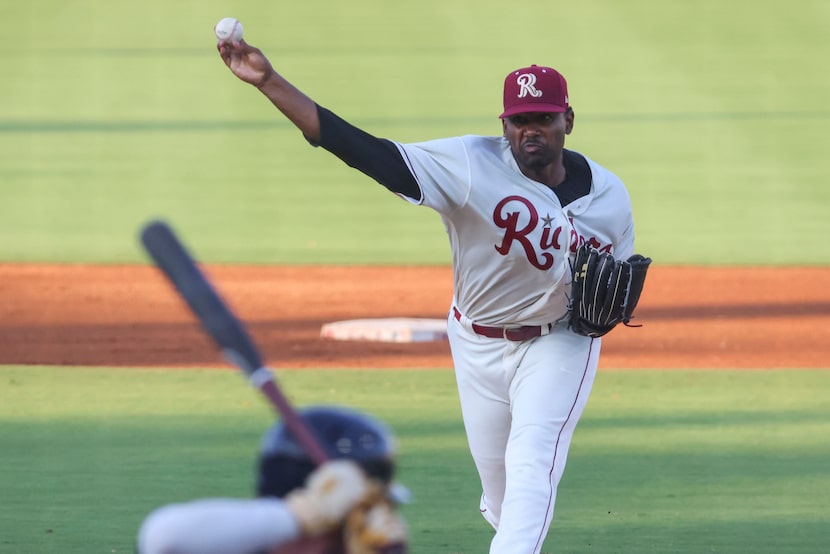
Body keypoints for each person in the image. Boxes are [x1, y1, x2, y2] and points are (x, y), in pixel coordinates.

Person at [217, 32, 637, 553]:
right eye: (520, 121)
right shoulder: (469, 165)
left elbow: (616, 285)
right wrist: (270, 83)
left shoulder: (610, 196)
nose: (532, 132)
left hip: (559, 342)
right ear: (503, 125)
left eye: (544, 119)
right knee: (504, 499)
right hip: (476, 341)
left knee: (532, 462)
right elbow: (369, 154)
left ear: (566, 121)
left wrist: (607, 314)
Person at [136, 405, 408, 554]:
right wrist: (302, 516)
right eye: (362, 509)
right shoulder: (232, 542)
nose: (375, 523)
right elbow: (163, 536)